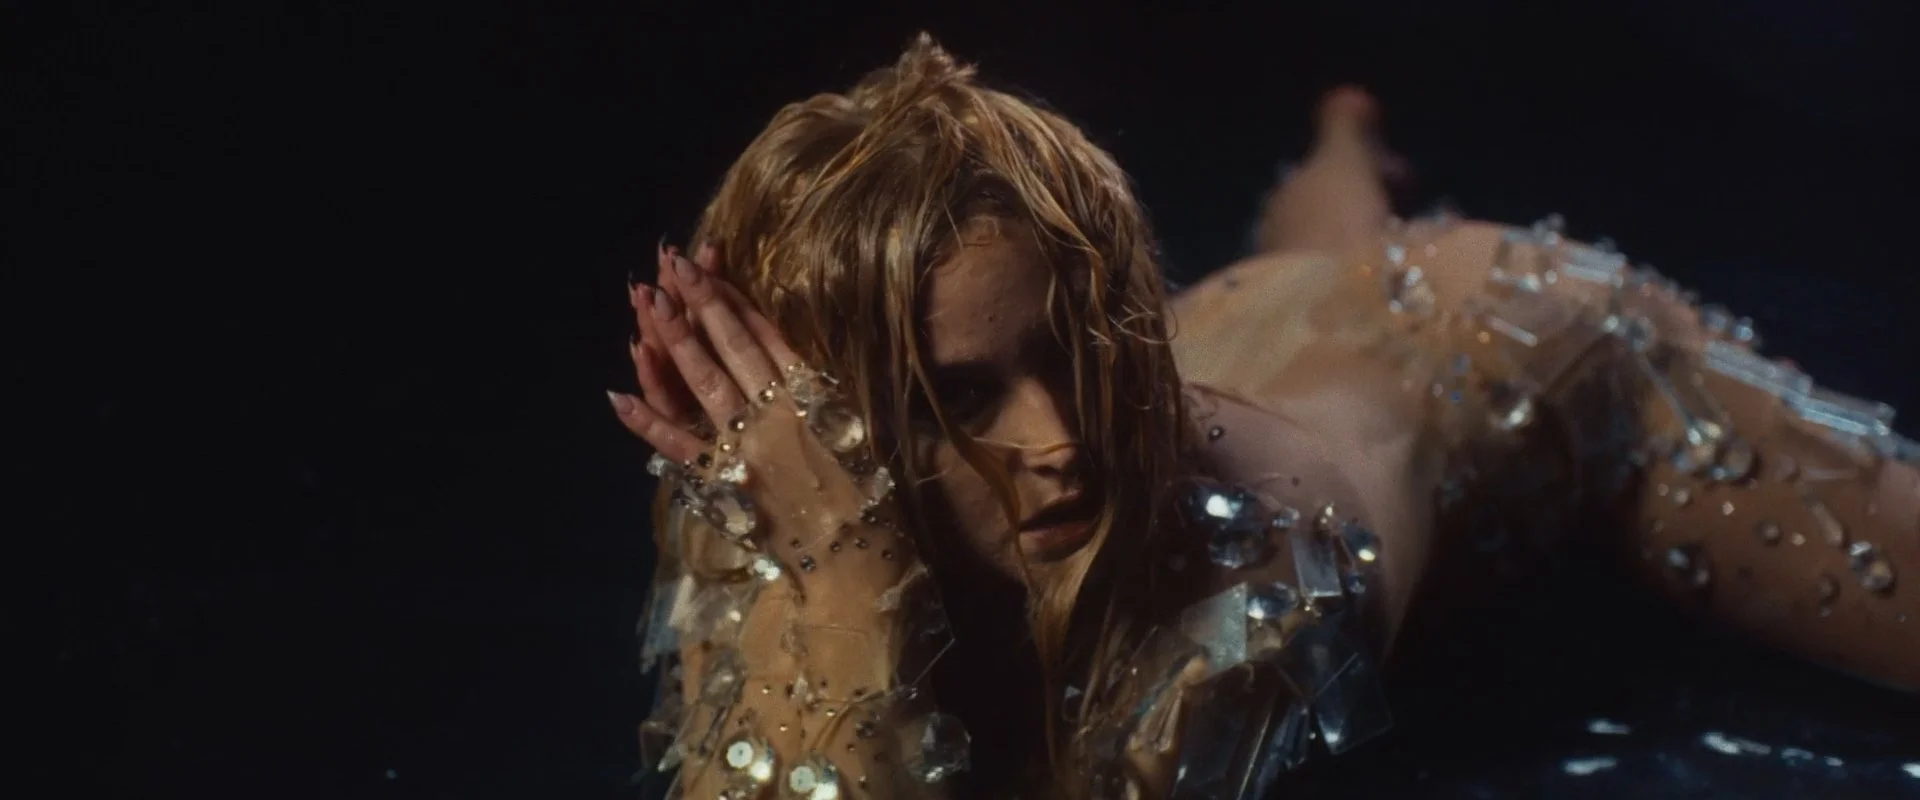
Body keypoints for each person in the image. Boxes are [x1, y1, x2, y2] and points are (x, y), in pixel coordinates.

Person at [605, 35, 1917, 799]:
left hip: (1530, 350)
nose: (1062, 441)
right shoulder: (775, 495)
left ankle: (1353, 181)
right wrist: (826, 576)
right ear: (814, 414)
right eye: (956, 397)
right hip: (1252, 321)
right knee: (1321, 269)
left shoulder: (1238, 583)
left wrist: (842, 602)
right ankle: (1344, 158)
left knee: (1385, 283)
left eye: (1084, 343)